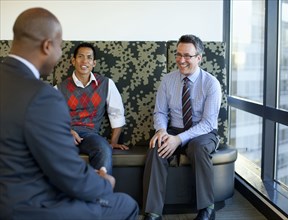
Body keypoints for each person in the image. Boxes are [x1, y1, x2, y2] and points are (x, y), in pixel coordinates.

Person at [0, 7, 138, 220]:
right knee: (127, 204)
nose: (59, 54)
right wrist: (103, 183)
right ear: (47, 46)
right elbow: (67, 175)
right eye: (60, 47)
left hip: (15, 189)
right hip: (27, 206)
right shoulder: (44, 96)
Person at [142, 34, 222, 220]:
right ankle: (153, 213)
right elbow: (160, 112)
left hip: (203, 132)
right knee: (156, 147)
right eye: (178, 54)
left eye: (187, 55)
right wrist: (162, 131)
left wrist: (179, 139)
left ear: (199, 58)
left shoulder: (211, 84)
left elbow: (208, 123)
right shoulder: (168, 80)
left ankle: (207, 210)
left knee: (199, 148)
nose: (181, 60)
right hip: (174, 129)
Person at [55, 42, 128, 175]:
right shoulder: (59, 88)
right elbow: (51, 118)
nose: (84, 61)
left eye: (89, 57)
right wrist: (67, 131)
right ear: (73, 61)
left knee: (104, 149)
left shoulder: (106, 84)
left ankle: (101, 194)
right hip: (66, 134)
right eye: (80, 56)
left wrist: (113, 142)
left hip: (91, 135)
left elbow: (117, 114)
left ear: (94, 63)